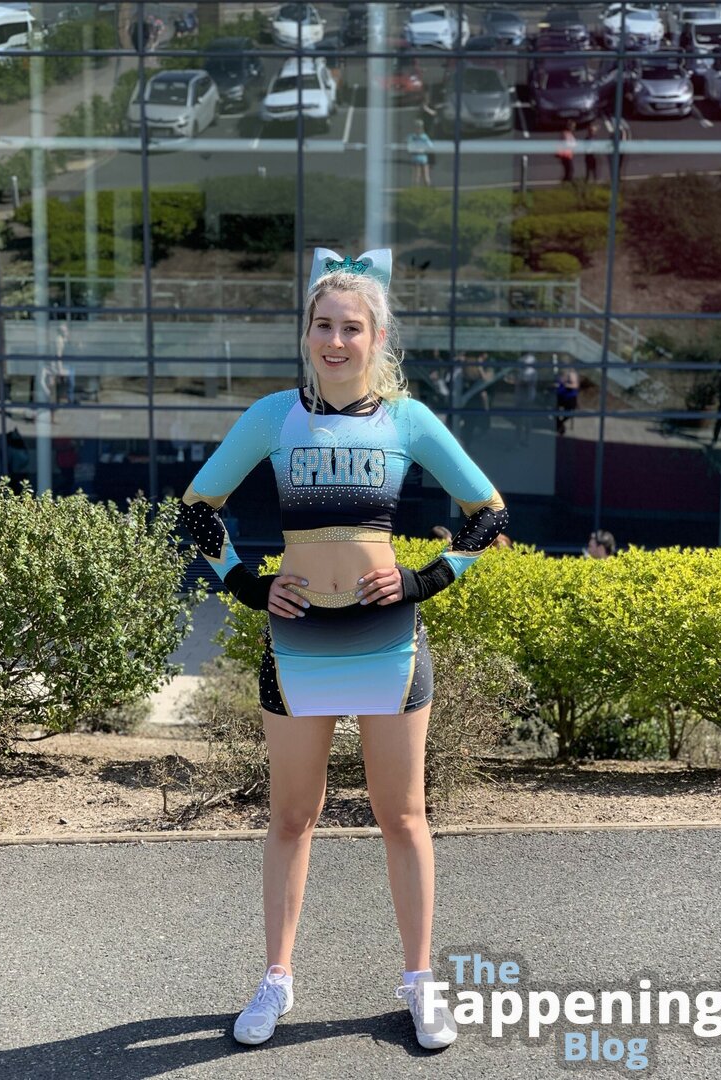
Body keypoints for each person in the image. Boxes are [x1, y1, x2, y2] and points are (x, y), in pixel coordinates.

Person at [177, 247, 508, 1051]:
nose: (335, 340)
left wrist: (426, 579)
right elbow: (195, 509)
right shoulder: (273, 416)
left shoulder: (408, 420)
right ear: (306, 333)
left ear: (378, 336)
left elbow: (490, 513)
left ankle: (420, 983)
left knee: (404, 816)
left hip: (389, 641)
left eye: (351, 327)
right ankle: (276, 979)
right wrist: (247, 585)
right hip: (298, 641)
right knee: (293, 816)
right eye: (322, 325)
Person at [407, 119, 433, 187]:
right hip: (416, 158)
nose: (418, 129)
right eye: (417, 127)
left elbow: (430, 146)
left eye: (420, 127)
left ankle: (427, 190)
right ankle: (416, 190)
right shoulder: (412, 137)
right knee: (416, 176)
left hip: (423, 158)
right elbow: (409, 146)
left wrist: (424, 142)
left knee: (426, 177)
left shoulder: (424, 137)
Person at [555, 366, 580, 435]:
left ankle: (560, 424)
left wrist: (566, 384)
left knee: (569, 412)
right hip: (560, 396)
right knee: (554, 409)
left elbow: (575, 385)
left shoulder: (572, 374)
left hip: (570, 398)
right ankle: (559, 425)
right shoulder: (560, 374)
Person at [557, 120, 576, 184]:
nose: (574, 128)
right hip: (565, 155)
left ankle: (566, 183)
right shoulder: (565, 134)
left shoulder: (569, 134)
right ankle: (567, 183)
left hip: (568, 155)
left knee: (568, 170)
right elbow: (567, 143)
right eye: (573, 127)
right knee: (570, 170)